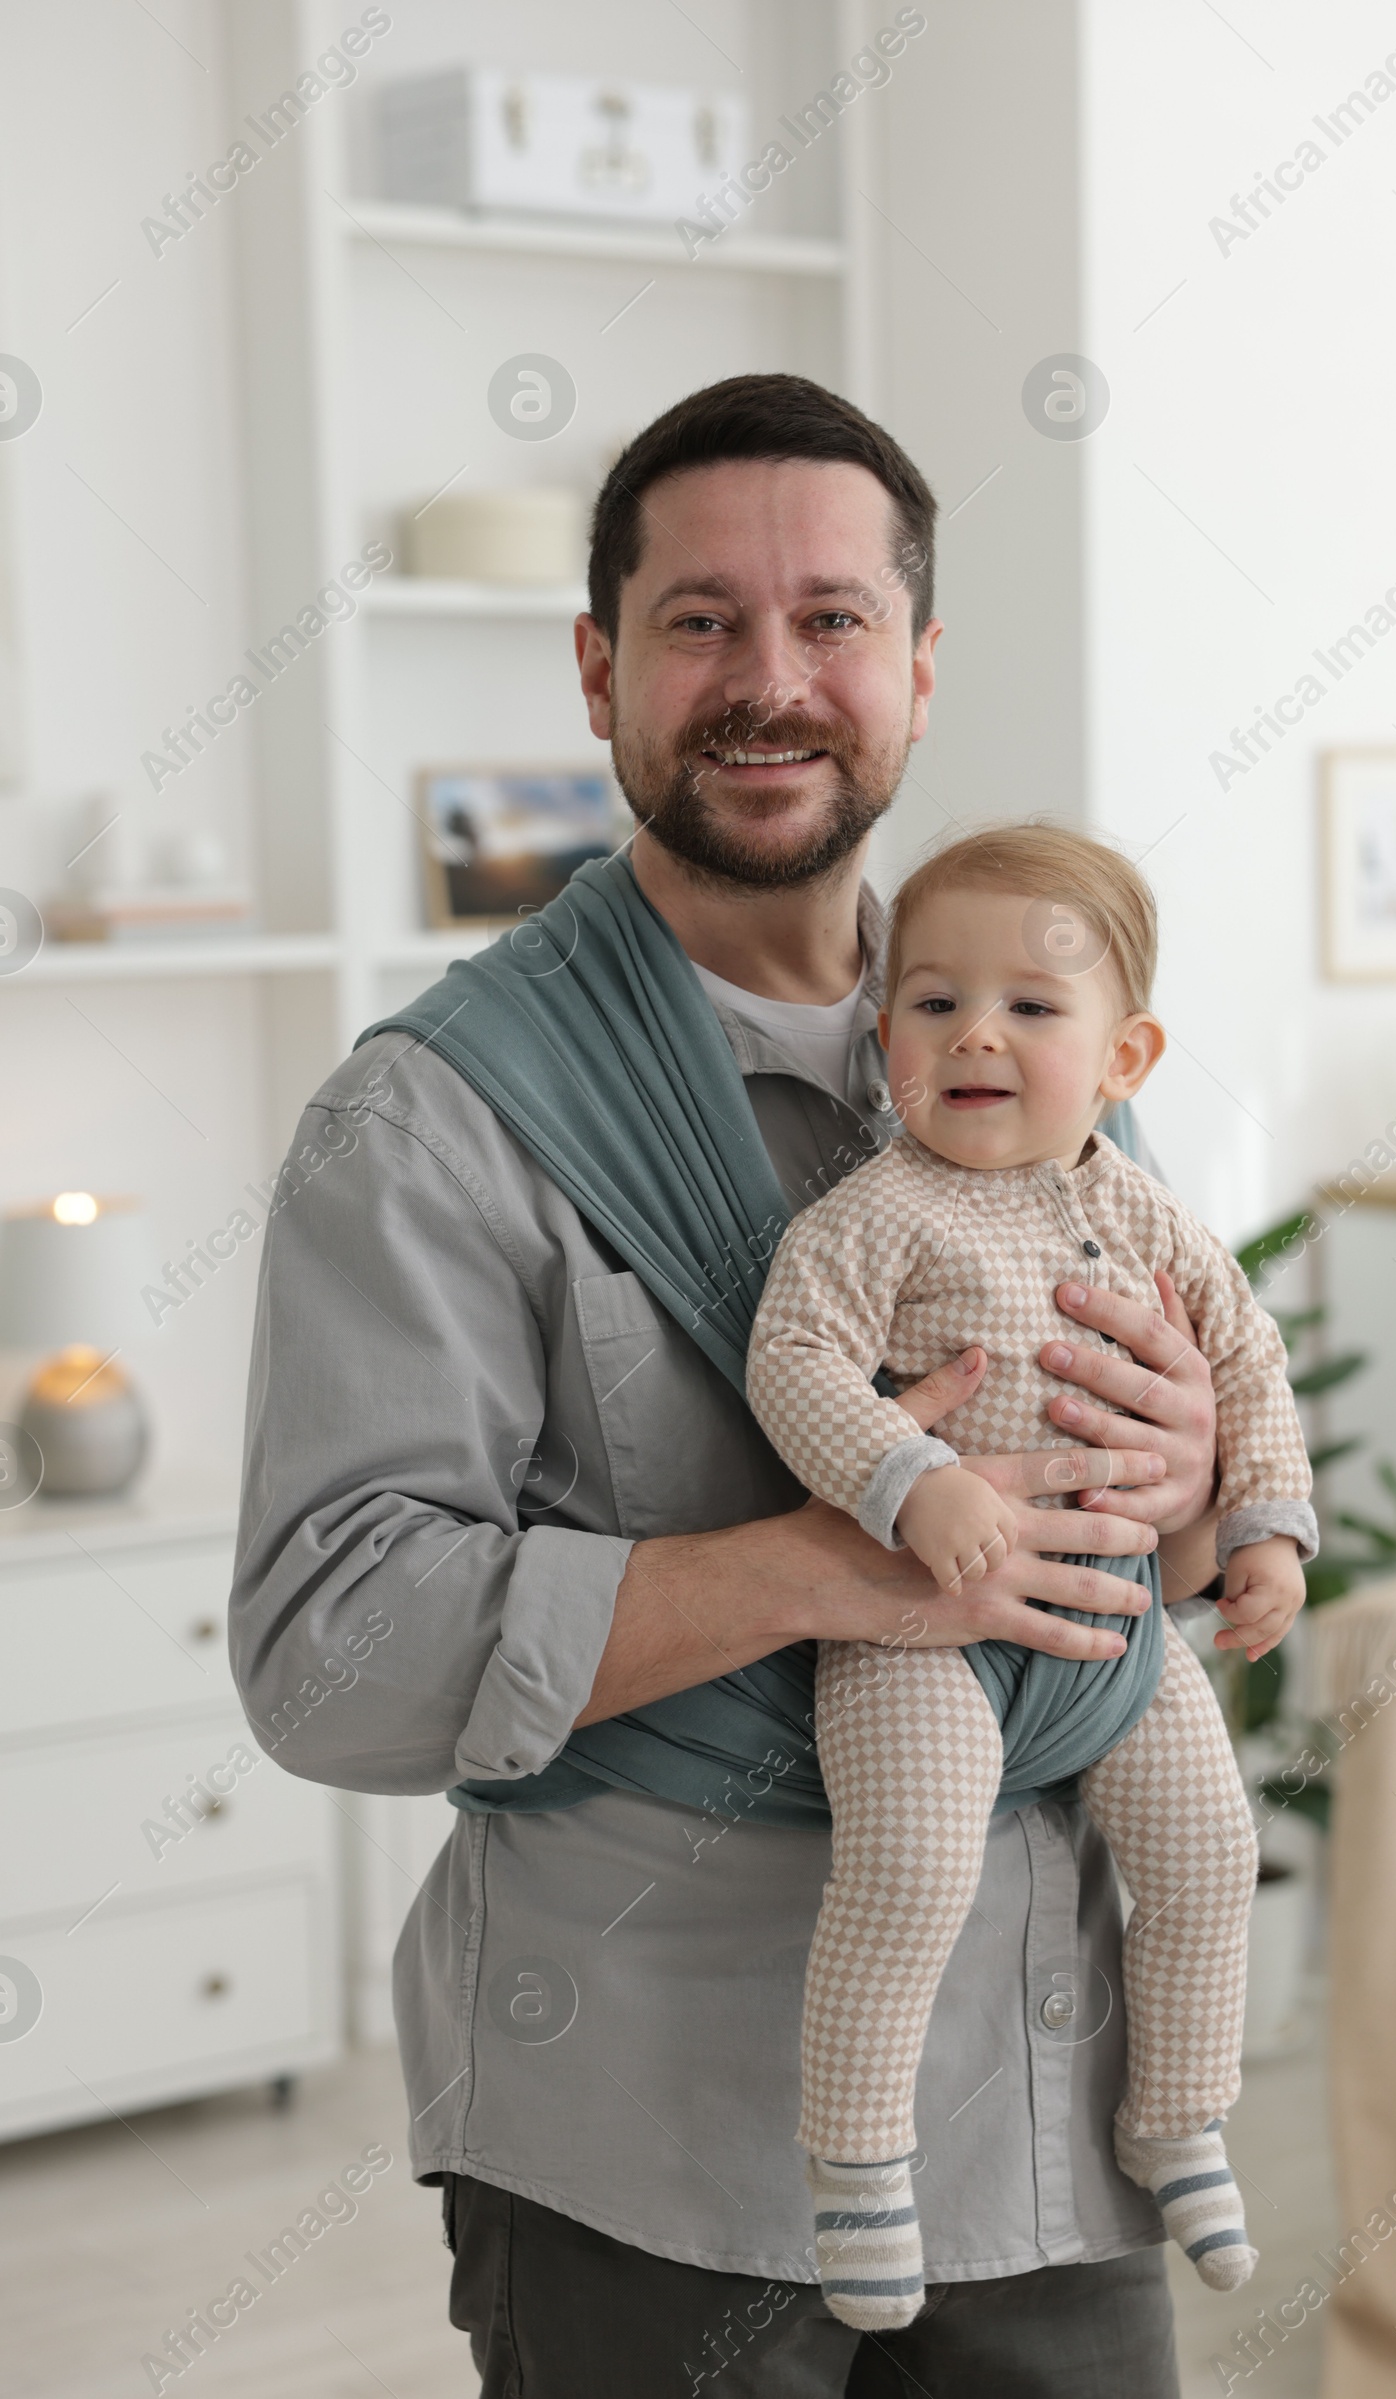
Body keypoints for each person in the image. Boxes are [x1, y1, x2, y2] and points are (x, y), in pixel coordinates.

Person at [230, 374, 1227, 2397]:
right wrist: (815, 1569)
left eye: (831, 620)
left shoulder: (1036, 1041)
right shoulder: (430, 1125)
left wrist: (1195, 1477)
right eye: (699, 622)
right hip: (646, 2151)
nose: (768, 680)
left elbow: (1147, 1549)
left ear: (918, 667)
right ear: (599, 669)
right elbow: (325, 1651)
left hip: (1056, 2115)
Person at [747, 822, 1316, 2330]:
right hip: (917, 1635)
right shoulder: (876, 1213)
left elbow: (1245, 1364)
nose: (976, 1034)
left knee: (1206, 1847)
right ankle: (861, 2165)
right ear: (885, 1042)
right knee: (913, 1866)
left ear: (1125, 1054)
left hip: (1113, 1625)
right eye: (933, 1004)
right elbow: (794, 1363)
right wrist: (907, 1478)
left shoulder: (1144, 1215)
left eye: (1033, 1007)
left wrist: (1262, 1524)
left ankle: (1176, 2118)